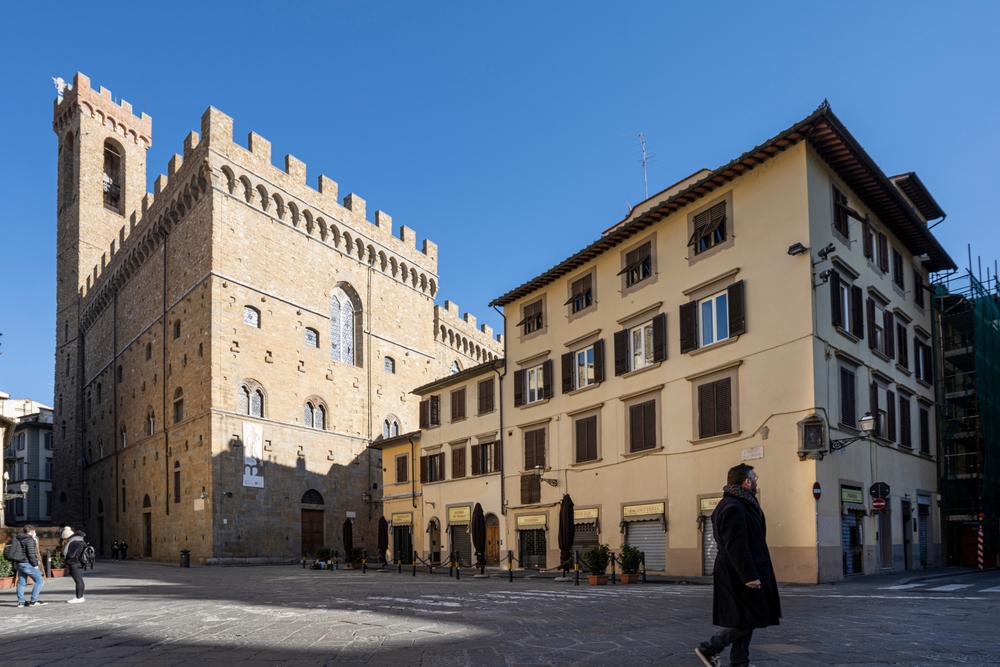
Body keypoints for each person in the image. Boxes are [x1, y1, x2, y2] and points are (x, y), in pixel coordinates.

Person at [696, 464, 781, 667]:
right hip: (739, 570)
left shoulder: (741, 503)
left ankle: (739, 662)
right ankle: (711, 647)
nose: (756, 480)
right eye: (754, 477)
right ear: (747, 481)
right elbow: (736, 545)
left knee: (743, 617)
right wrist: (749, 575)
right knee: (755, 615)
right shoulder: (734, 506)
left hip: (742, 567)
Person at [12, 526, 47, 608]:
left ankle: (21, 602)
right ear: (32, 531)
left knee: (21, 582)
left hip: (18, 563)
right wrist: (35, 565)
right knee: (40, 581)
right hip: (27, 563)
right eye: (34, 531)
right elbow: (31, 554)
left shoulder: (18, 538)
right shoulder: (29, 539)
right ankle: (34, 601)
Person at [61, 526, 87, 603]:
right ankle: (80, 596)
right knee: (79, 580)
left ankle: (79, 597)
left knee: (78, 581)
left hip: (74, 563)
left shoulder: (74, 542)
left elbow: (70, 555)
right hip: (80, 563)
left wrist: (63, 554)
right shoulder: (81, 541)